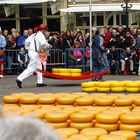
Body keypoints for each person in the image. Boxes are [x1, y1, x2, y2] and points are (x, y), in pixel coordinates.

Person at [16, 24, 51, 88]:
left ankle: (40, 82)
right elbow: (43, 43)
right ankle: (19, 79)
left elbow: (26, 41)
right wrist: (48, 46)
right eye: (45, 30)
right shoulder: (40, 35)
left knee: (39, 67)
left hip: (32, 52)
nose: (46, 31)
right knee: (31, 68)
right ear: (43, 30)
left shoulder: (34, 34)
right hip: (34, 53)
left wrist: (28, 48)